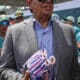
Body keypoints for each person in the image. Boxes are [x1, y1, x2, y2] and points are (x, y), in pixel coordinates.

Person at [0, 0, 80, 80]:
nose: (48, 1)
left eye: (51, 0)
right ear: (29, 3)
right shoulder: (14, 32)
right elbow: (4, 69)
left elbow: (75, 71)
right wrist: (20, 78)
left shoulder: (69, 31)